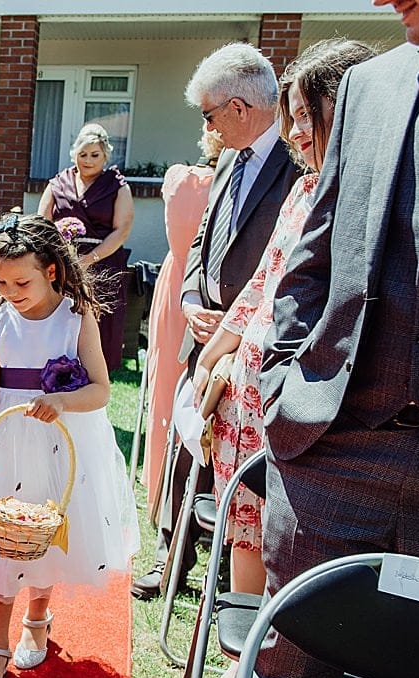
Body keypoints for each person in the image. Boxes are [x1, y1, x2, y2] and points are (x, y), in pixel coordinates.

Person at [219, 1, 419, 678]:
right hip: (333, 451)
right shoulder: (371, 85)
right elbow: (313, 251)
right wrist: (284, 390)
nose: (382, 1)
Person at [188, 39, 376, 678]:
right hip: (245, 391)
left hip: (304, 400)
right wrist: (214, 355)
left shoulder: (369, 192)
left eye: (305, 117)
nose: (294, 132)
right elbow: (265, 282)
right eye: (291, 116)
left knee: (288, 536)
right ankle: (240, 650)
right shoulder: (301, 189)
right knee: (244, 520)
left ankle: (275, 661)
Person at [132, 42, 301, 601]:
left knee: (237, 469)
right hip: (201, 331)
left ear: (238, 107)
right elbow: (202, 240)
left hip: (252, 343)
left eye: (209, 115)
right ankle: (170, 562)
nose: (207, 128)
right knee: (186, 452)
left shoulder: (300, 163)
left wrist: (236, 322)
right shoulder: (228, 158)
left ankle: (229, 581)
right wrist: (187, 298)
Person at [0, 213, 139, 678]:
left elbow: (101, 390)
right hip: (7, 440)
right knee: (0, 538)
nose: (9, 291)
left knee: (44, 528)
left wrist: (59, 401)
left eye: (21, 281)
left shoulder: (76, 319)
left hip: (59, 437)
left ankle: (37, 616)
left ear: (52, 271)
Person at [140, 125, 221, 523]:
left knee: (168, 388)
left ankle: (161, 493)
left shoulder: (182, 180)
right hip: (200, 291)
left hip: (178, 287)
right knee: (185, 391)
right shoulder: (203, 182)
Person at [38, 123, 134, 372]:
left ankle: (96, 372)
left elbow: (121, 230)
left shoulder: (117, 185)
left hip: (103, 262)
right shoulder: (58, 183)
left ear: (105, 155)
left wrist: (90, 258)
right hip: (61, 263)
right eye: (83, 155)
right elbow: (42, 223)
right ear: (74, 155)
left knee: (97, 318)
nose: (88, 160)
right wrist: (58, 257)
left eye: (95, 155)